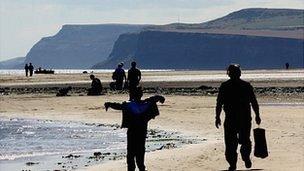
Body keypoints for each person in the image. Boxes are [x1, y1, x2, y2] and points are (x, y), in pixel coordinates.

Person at [104, 87, 165, 171]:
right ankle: (141, 168)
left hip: (132, 132)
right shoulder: (146, 104)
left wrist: (109, 104)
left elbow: (118, 106)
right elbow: (154, 98)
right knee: (140, 151)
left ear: (132, 95)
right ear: (141, 95)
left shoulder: (128, 105)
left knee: (131, 152)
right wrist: (160, 98)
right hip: (142, 131)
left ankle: (131, 169)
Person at [215, 64, 261, 171]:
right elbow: (254, 102)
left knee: (231, 143)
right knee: (245, 140)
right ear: (239, 73)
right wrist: (257, 115)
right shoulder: (246, 85)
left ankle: (233, 164)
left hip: (231, 119)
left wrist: (217, 117)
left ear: (229, 74)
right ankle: (245, 157)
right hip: (244, 118)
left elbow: (219, 103)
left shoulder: (225, 86)